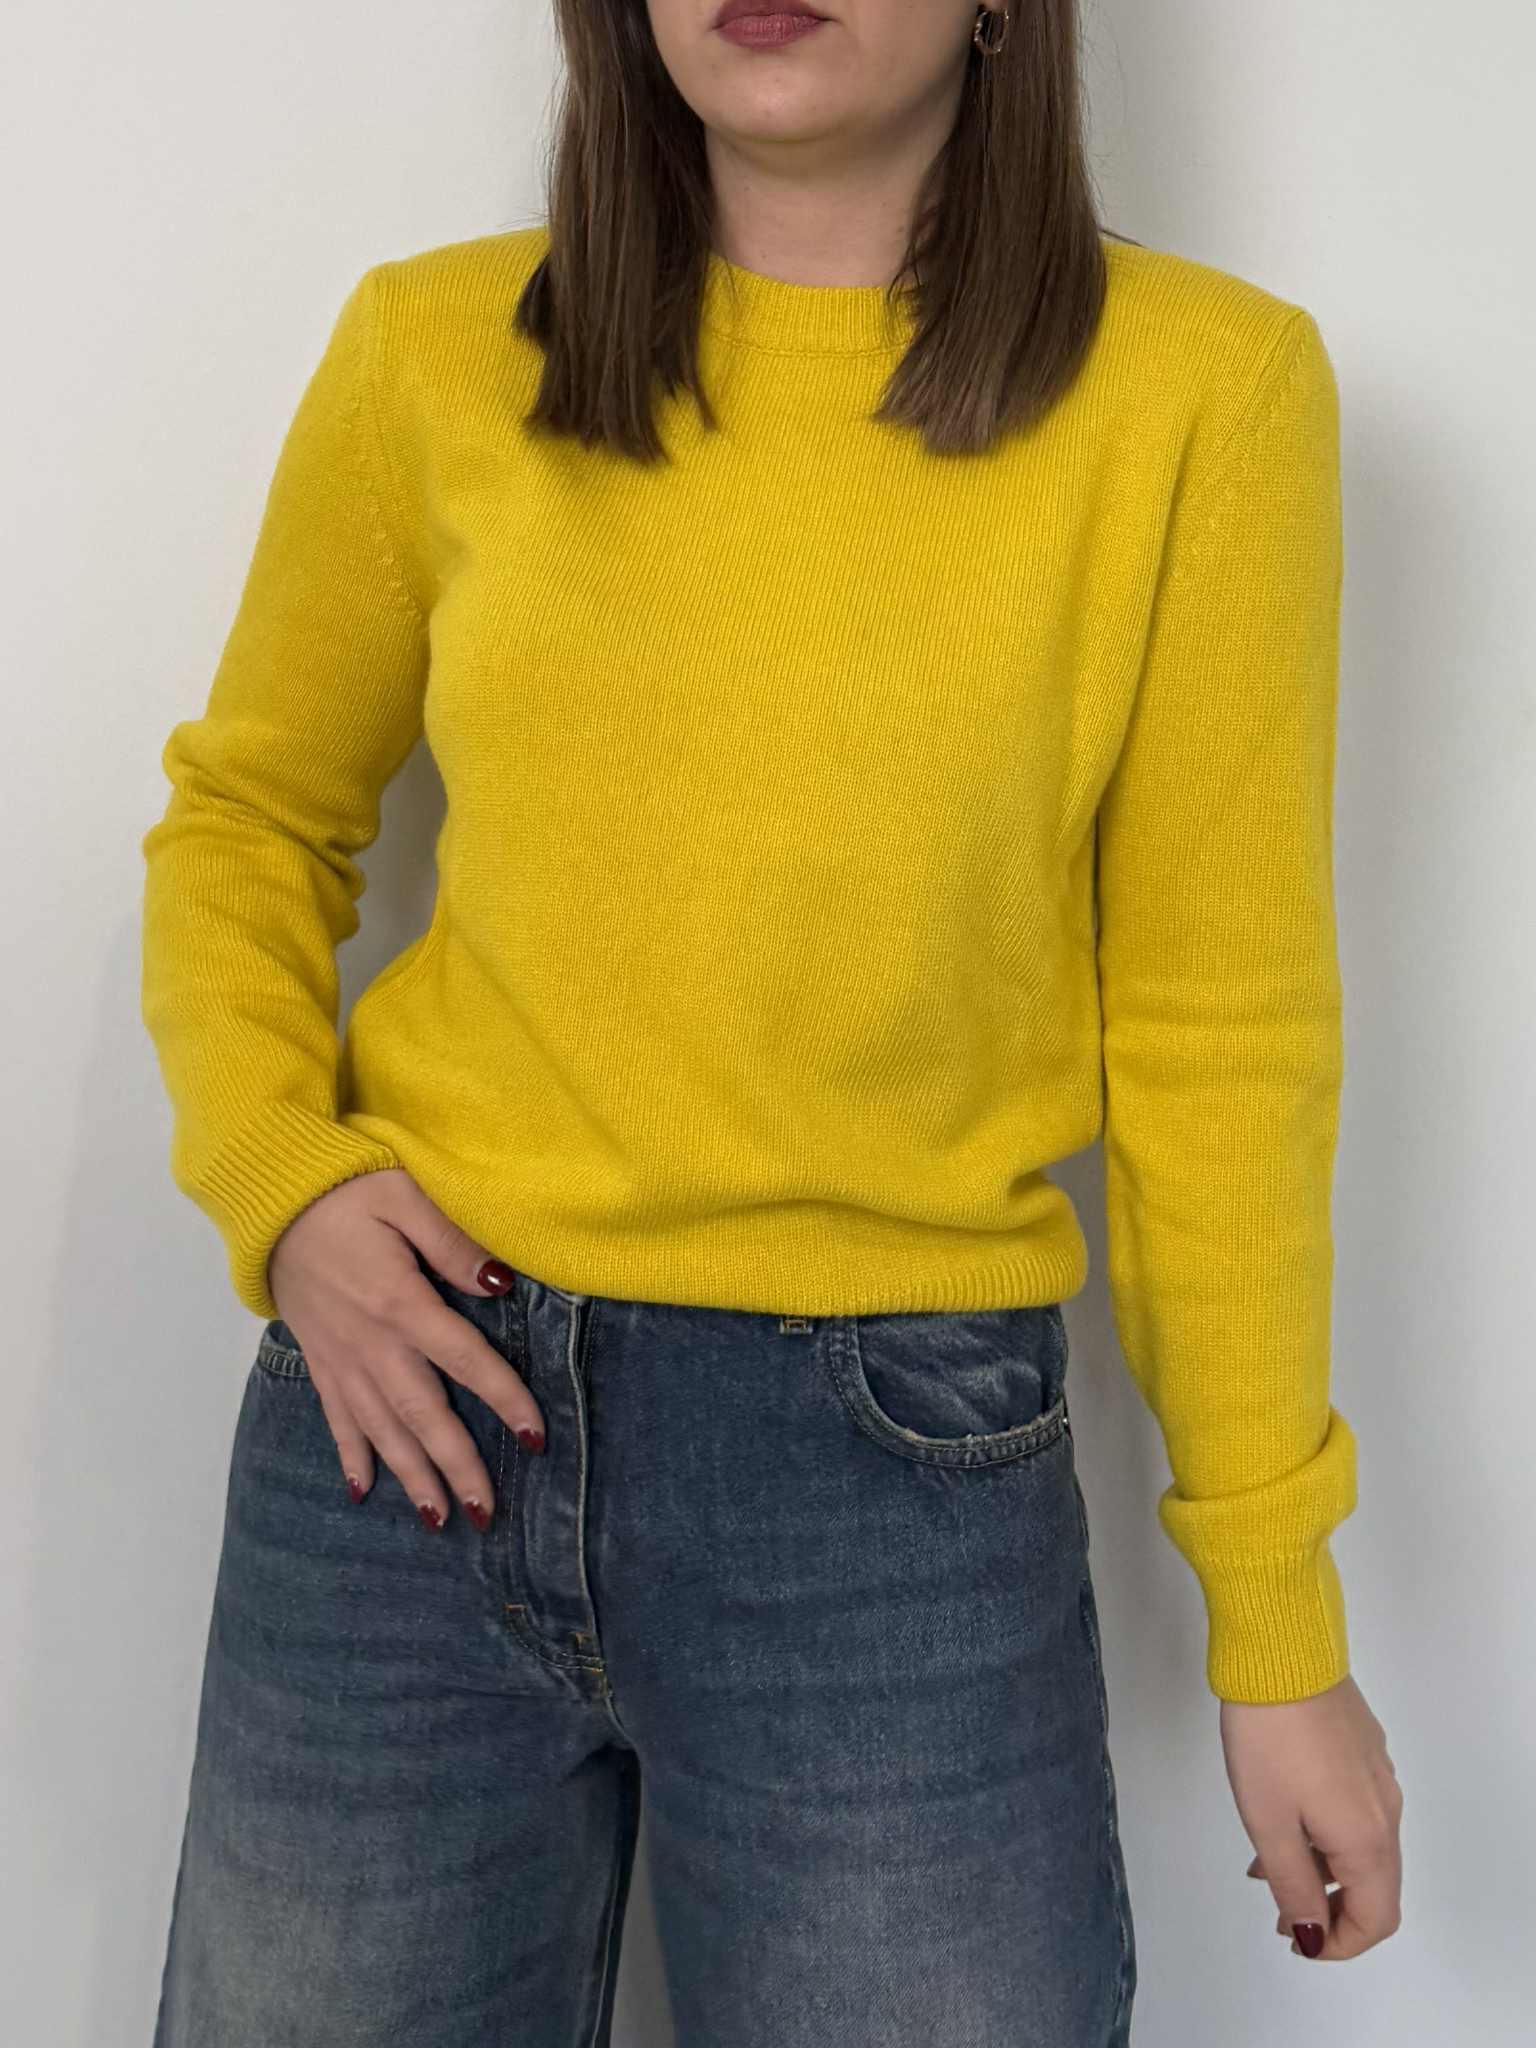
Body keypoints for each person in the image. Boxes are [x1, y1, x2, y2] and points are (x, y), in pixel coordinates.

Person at [140, 3, 1404, 2042]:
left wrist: (1279, 1626)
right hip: (405, 1426)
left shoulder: (1202, 392)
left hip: (891, 1486)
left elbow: (1220, 1036)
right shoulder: (432, 350)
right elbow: (252, 821)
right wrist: (283, 1187)